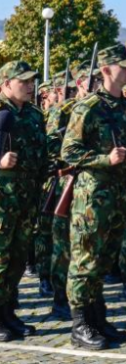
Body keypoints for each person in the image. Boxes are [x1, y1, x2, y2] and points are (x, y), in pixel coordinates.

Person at [61, 45, 126, 349]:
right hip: (92, 197)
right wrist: (105, 159)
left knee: (105, 260)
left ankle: (97, 317)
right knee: (85, 261)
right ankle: (80, 324)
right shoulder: (88, 107)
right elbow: (69, 152)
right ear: (106, 70)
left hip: (119, 196)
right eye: (124, 66)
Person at [0, 61, 47, 341]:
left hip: (26, 199)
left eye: (32, 81)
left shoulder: (33, 114)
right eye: (24, 81)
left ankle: (6, 312)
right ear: (6, 84)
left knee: (17, 259)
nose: (30, 85)